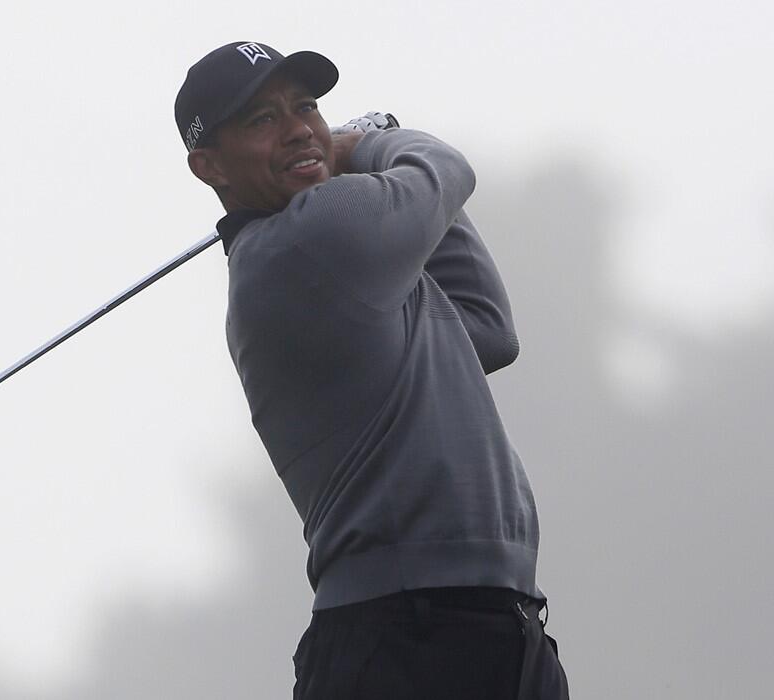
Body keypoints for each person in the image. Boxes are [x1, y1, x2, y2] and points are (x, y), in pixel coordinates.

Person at [175, 41, 569, 699]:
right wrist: (364, 145)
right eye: (262, 119)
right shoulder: (307, 239)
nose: (300, 127)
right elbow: (444, 168)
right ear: (208, 164)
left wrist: (368, 163)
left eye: (306, 107)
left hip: (496, 625)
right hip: (403, 636)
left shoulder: (348, 265)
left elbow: (488, 331)